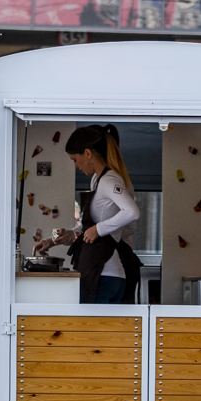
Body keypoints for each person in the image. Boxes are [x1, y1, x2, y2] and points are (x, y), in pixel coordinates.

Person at [61, 124, 141, 303]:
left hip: (105, 275)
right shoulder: (97, 181)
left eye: (75, 160)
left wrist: (99, 229)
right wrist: (63, 237)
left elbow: (132, 212)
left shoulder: (109, 180)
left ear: (88, 154)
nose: (75, 166)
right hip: (104, 273)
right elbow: (92, 224)